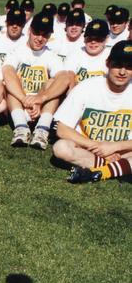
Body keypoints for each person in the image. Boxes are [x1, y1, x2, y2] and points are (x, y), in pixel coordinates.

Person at [53, 40, 132, 183]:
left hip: (123, 151)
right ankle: (120, 169)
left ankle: (97, 172)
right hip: (88, 148)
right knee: (61, 148)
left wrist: (114, 147)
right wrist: (97, 147)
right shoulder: (87, 87)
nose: (122, 72)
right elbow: (62, 129)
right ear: (107, 63)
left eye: (129, 67)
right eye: (117, 65)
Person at [3, 13, 66, 149]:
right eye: (36, 33)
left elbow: (63, 78)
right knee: (11, 81)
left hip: (42, 108)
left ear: (49, 37)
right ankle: (21, 128)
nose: (39, 38)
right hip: (19, 105)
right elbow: (7, 72)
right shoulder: (17, 51)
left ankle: (42, 130)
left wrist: (40, 99)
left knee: (52, 82)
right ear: (29, 31)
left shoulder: (51, 55)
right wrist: (25, 99)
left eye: (45, 35)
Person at [63, 19, 111, 88]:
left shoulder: (112, 54)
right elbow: (68, 76)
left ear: (106, 39)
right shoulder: (75, 54)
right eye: (89, 38)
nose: (93, 42)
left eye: (98, 39)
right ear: (84, 38)